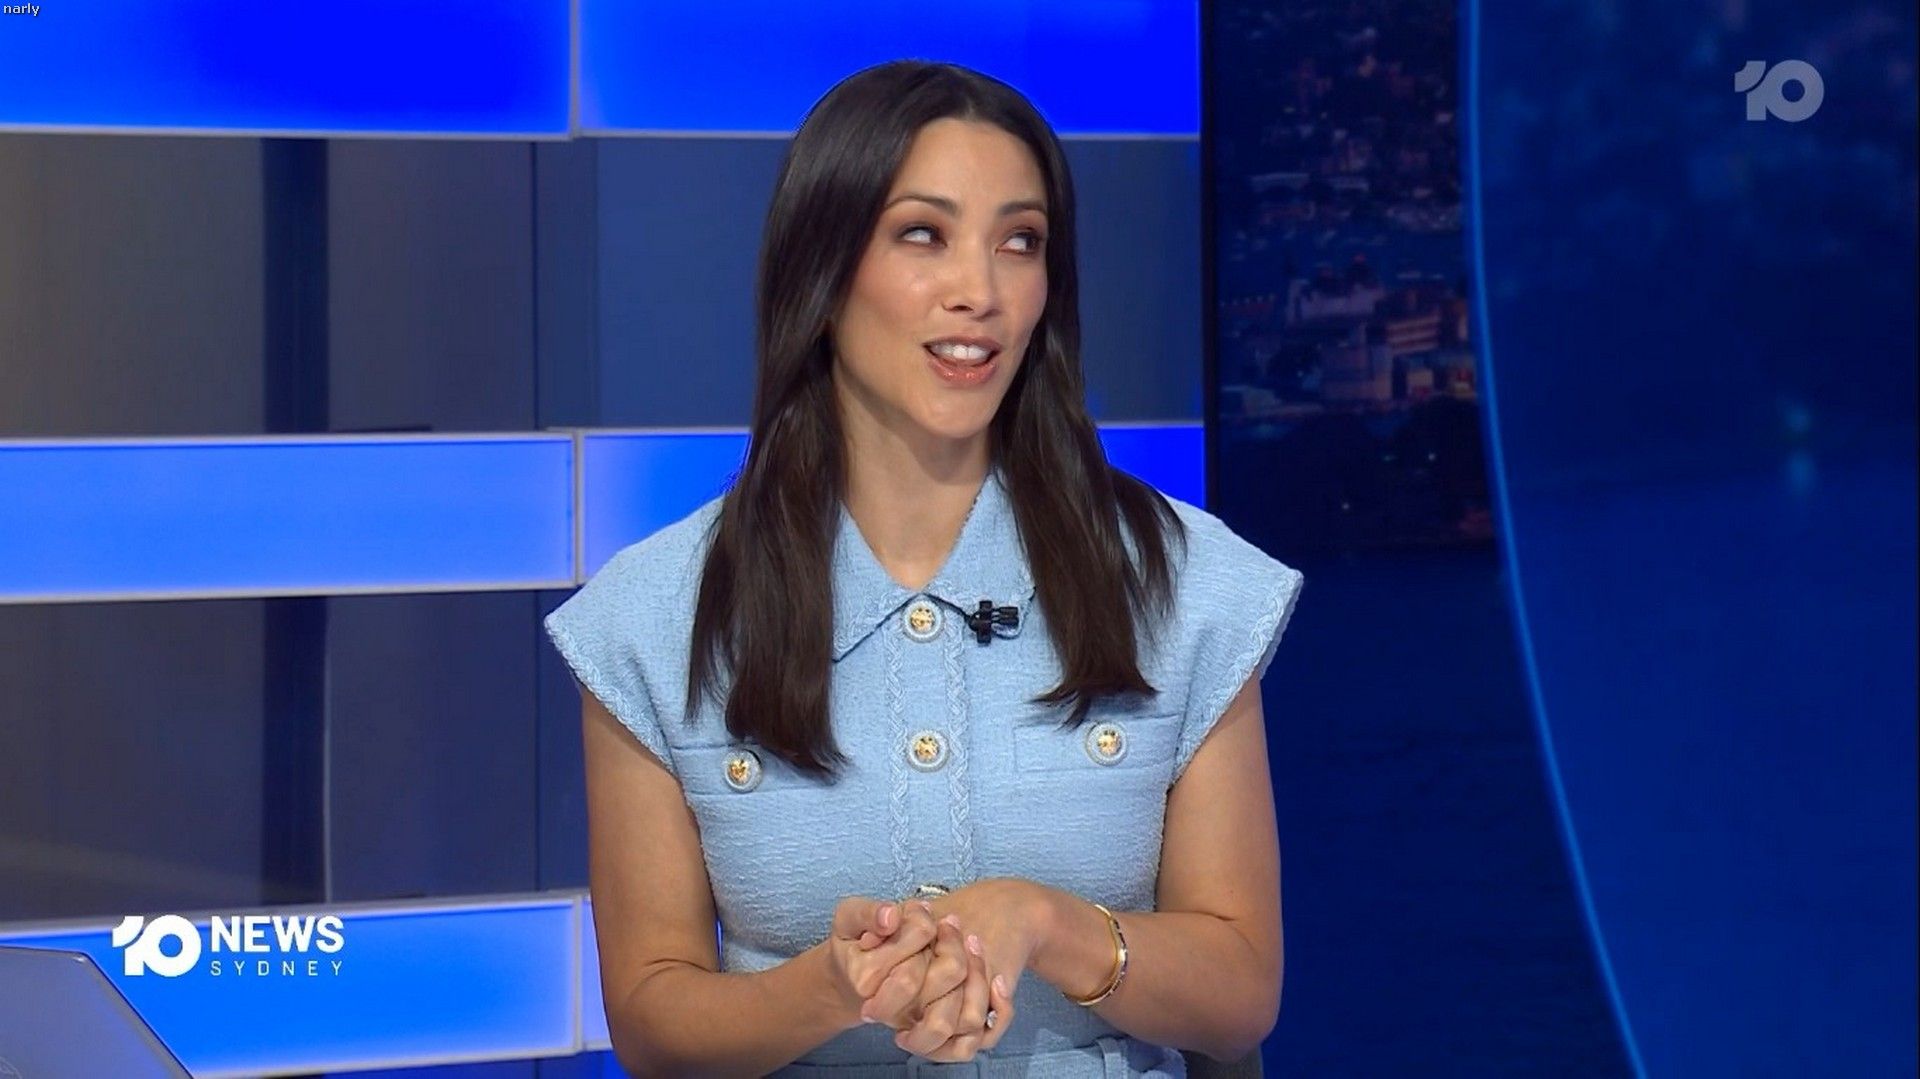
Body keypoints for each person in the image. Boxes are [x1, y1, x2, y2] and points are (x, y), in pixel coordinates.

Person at [544, 59, 1304, 1077]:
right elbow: (652, 1020)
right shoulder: (654, 619)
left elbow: (1242, 989)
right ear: (823, 270)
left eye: (1020, 242)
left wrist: (1048, 923)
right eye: (923, 235)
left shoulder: (1184, 584)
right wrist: (834, 985)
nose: (980, 293)